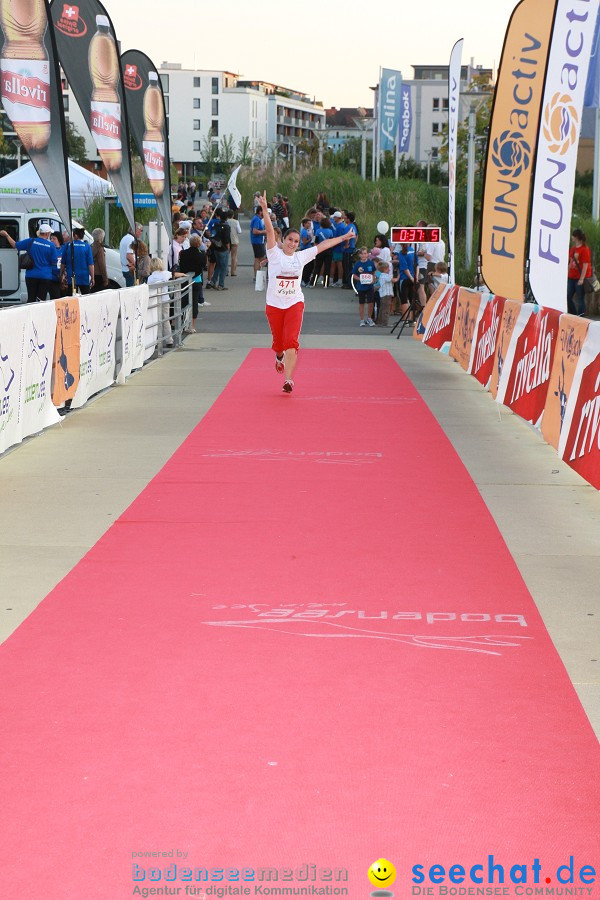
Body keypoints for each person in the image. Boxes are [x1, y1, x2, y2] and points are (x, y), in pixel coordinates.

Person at [257, 190, 355, 393]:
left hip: (294, 303)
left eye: (296, 241)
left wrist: (344, 236)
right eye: (290, 240)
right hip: (274, 305)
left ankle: (289, 380)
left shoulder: (300, 257)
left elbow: (324, 245)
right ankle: (278, 356)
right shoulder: (274, 254)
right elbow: (268, 230)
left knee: (292, 341)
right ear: (283, 240)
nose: (293, 244)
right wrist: (265, 208)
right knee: (279, 343)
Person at [0, 221, 58, 303]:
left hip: (31, 275)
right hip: (45, 276)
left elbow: (15, 245)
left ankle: (29, 315)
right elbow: (54, 262)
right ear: (47, 234)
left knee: (31, 299)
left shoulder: (30, 241)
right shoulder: (51, 246)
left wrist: (6, 235)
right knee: (41, 300)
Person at [178, 234, 207, 332]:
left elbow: (181, 266)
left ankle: (183, 323)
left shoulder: (183, 253)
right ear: (199, 243)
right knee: (194, 303)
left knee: (184, 302)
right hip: (196, 280)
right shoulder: (202, 254)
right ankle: (192, 326)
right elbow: (203, 266)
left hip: (185, 279)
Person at [62, 226, 94, 294]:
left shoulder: (68, 246)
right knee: (86, 298)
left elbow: (63, 263)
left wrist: (61, 275)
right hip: (84, 277)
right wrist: (92, 278)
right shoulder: (87, 246)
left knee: (72, 299)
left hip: (72, 278)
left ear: (75, 235)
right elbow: (90, 264)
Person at [352, 247, 377, 326]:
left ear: (367, 254)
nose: (363, 255)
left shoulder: (370, 263)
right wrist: (359, 279)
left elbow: (374, 272)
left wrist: (373, 279)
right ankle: (362, 320)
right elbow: (354, 275)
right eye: (362, 254)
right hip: (361, 287)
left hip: (370, 286)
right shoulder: (357, 264)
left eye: (365, 253)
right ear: (359, 255)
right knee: (361, 303)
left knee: (371, 302)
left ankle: (369, 318)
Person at [567, 229, 590, 316]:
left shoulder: (584, 249)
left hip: (579, 277)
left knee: (580, 298)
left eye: (573, 236)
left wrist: (582, 279)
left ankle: (581, 315)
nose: (572, 237)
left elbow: (585, 265)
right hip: (571, 276)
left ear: (576, 237)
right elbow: (570, 261)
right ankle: (573, 313)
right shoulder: (573, 248)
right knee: (568, 296)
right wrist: (567, 272)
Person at [209, 209, 230, 291]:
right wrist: (228, 247)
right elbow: (227, 239)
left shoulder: (215, 225)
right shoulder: (227, 227)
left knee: (218, 265)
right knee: (224, 267)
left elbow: (212, 234)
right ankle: (221, 284)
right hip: (223, 248)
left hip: (215, 247)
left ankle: (213, 281)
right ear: (227, 218)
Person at [375, 260, 398, 327]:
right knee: (386, 308)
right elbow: (394, 280)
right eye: (388, 268)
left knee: (382, 308)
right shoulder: (386, 276)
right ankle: (385, 322)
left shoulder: (381, 276)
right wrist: (398, 276)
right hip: (387, 294)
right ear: (385, 269)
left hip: (382, 294)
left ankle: (380, 321)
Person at [120, 223, 142, 287]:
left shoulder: (125, 238)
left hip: (125, 268)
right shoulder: (131, 239)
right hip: (130, 270)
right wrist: (137, 266)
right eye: (141, 230)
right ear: (135, 230)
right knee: (132, 291)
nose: (141, 232)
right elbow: (129, 255)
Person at [250, 205, 267, 277]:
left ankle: (257, 275)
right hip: (257, 241)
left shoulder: (258, 219)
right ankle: (257, 275)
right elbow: (255, 231)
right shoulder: (257, 219)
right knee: (259, 258)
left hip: (258, 241)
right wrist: (264, 231)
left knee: (259, 258)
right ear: (260, 212)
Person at [91, 227, 108, 293]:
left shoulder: (91, 246)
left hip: (91, 274)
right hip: (98, 275)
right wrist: (105, 279)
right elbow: (102, 264)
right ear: (101, 237)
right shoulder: (100, 248)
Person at [48, 231, 64, 299]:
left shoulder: (64, 248)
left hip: (63, 279)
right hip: (53, 278)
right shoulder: (49, 249)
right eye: (51, 238)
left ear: (59, 240)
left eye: (54, 238)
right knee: (55, 297)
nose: (51, 240)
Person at [227, 209, 241, 276]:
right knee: (234, 256)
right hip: (234, 240)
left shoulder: (226, 221)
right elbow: (239, 231)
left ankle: (226, 271)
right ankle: (233, 272)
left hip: (226, 240)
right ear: (233, 215)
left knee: (226, 256)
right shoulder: (236, 222)